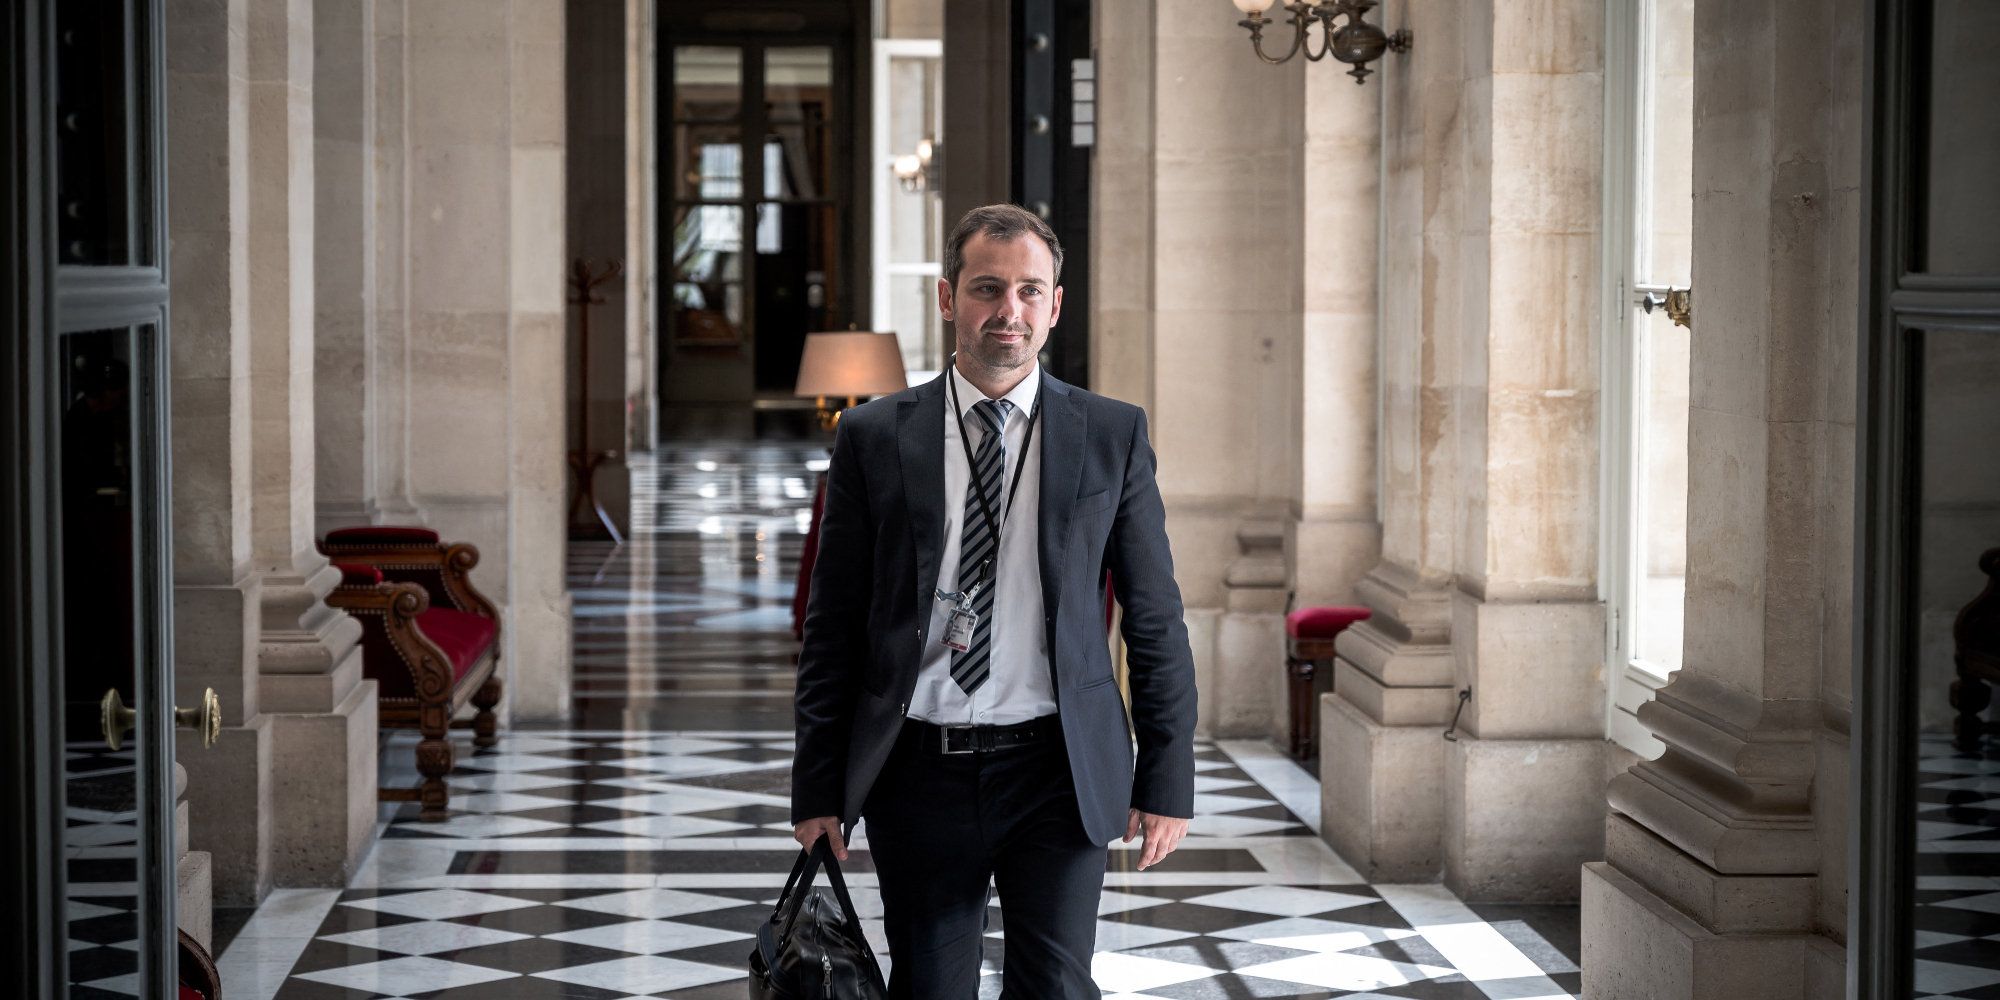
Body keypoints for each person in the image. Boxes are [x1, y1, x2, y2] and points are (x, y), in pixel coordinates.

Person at [791, 204, 1198, 999]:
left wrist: (1167, 775)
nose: (1007, 311)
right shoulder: (876, 436)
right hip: (917, 770)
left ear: (1054, 305)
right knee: (930, 989)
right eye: (986, 289)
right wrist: (816, 788)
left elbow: (1155, 616)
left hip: (1060, 764)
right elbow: (831, 624)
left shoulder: (1111, 435)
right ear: (948, 298)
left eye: (1028, 291)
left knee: (1055, 987)